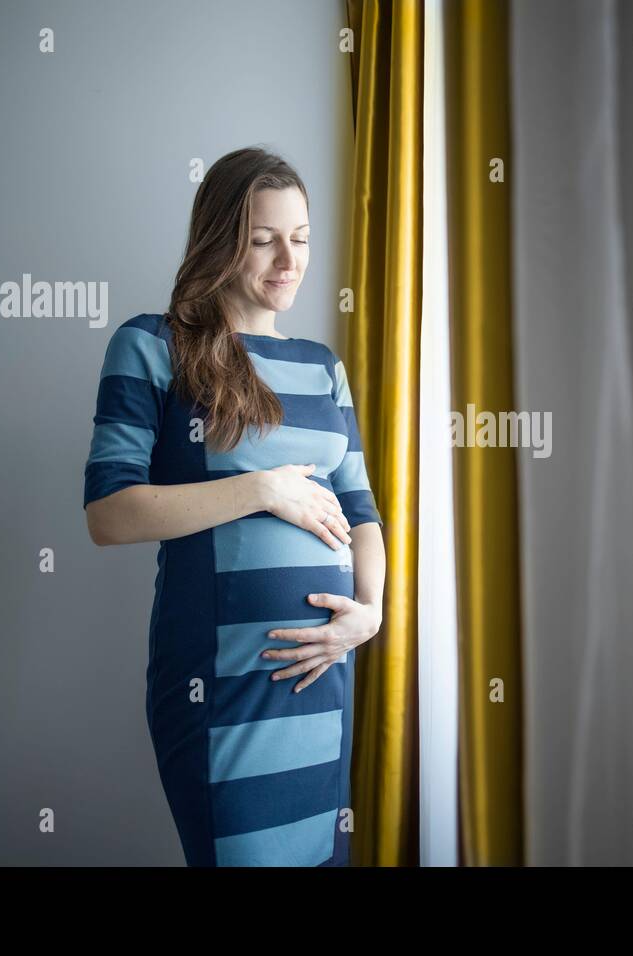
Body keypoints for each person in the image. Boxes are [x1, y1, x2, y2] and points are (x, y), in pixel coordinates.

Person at [82, 147, 386, 866]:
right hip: (218, 684)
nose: (289, 259)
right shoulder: (153, 346)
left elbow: (362, 509)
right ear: (220, 241)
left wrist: (370, 614)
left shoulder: (322, 366)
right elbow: (108, 512)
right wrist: (262, 487)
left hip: (322, 676)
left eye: (302, 238)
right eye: (263, 239)